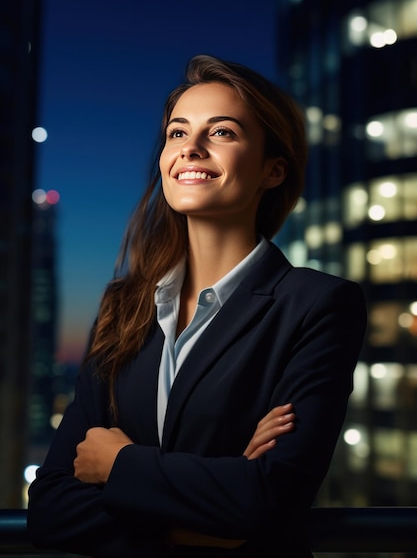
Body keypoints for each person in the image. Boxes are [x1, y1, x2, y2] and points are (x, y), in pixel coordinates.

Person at [27, 54, 367, 558]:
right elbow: (51, 507)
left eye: (223, 132)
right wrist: (197, 526)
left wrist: (118, 464)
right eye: (178, 134)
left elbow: (267, 500)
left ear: (273, 170)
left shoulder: (317, 306)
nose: (192, 150)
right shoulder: (124, 306)